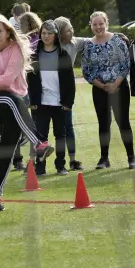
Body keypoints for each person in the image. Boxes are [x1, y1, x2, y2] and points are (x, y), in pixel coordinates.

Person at [0, 16, 54, 211]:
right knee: (9, 99)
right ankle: (38, 142)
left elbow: (6, 80)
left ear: (7, 32)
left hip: (18, 103)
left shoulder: (16, 49)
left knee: (7, 149)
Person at [81, 11, 135, 170]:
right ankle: (104, 158)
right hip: (99, 90)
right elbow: (86, 70)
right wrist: (101, 85)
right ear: (90, 25)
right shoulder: (88, 45)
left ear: (106, 23)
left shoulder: (117, 40)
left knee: (123, 122)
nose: (98, 27)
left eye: (100, 23)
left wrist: (115, 84)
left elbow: (126, 64)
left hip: (119, 88)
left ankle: (131, 157)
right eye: (94, 24)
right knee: (103, 124)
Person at [27, 20, 75, 176]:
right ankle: (40, 168)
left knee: (60, 135)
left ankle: (61, 165)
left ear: (55, 35)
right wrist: (33, 101)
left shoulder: (63, 55)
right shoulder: (34, 56)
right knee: (41, 137)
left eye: (50, 33)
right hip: (41, 104)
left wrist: (68, 102)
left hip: (60, 104)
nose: (46, 36)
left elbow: (70, 82)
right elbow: (31, 81)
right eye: (44, 33)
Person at [52, 16, 88, 171]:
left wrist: (115, 36)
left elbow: (93, 40)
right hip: (51, 89)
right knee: (51, 127)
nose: (72, 31)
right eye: (68, 29)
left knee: (68, 125)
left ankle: (73, 160)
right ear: (59, 32)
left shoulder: (75, 42)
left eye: (71, 28)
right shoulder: (50, 46)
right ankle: (37, 161)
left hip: (66, 89)